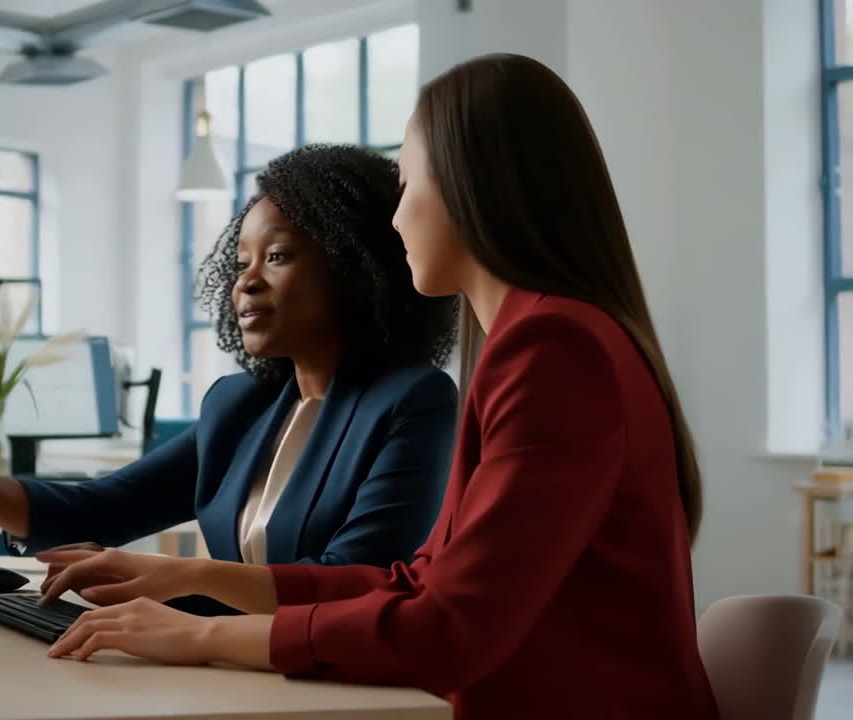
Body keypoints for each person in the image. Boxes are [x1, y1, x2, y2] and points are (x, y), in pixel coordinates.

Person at [36, 54, 720, 720]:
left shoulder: (553, 351)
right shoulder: (551, 339)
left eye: (406, 181)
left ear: (468, 186)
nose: (395, 220)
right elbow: (419, 585)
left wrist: (200, 635)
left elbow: (449, 630)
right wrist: (195, 578)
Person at [0, 143, 460, 614]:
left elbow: (353, 585)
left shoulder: (412, 402)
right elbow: (99, 509)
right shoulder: (240, 405)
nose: (245, 282)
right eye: (240, 262)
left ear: (354, 266)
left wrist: (171, 582)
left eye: (276, 257)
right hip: (226, 666)